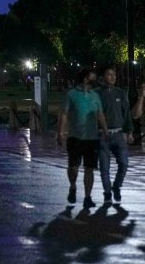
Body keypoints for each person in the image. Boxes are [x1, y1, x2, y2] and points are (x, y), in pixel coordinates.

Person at [57, 68, 109, 209]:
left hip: (92, 138)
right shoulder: (72, 94)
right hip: (75, 137)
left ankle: (87, 197)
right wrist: (60, 133)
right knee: (73, 168)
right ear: (86, 79)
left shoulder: (95, 96)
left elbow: (100, 115)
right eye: (93, 77)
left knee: (89, 169)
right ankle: (73, 186)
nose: (96, 78)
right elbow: (64, 114)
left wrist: (105, 130)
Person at [96, 66, 133, 203]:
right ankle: (107, 193)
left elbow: (127, 113)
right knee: (104, 167)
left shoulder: (121, 93)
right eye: (109, 74)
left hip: (118, 134)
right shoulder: (96, 94)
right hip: (101, 136)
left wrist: (129, 131)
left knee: (124, 163)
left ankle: (116, 186)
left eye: (114, 75)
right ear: (102, 77)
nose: (112, 77)